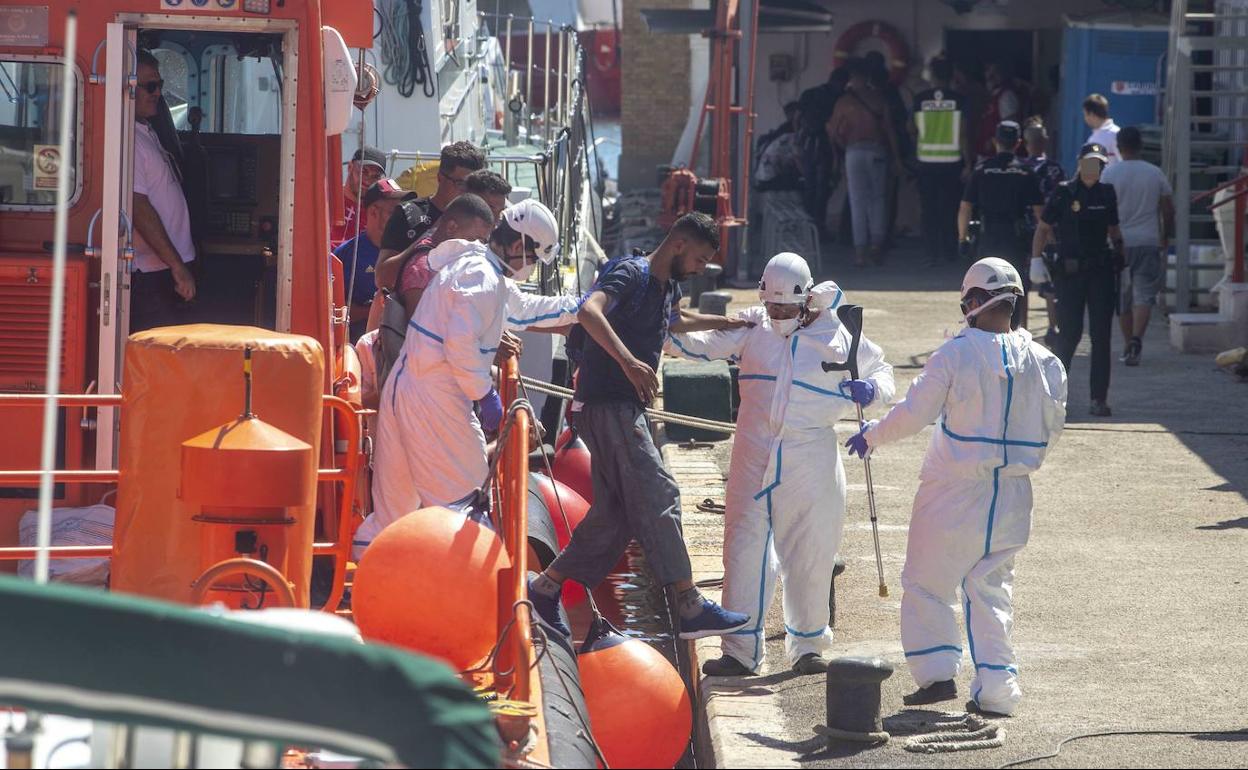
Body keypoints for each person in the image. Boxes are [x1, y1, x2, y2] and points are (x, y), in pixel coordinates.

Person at [845, 257, 1067, 717]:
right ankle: (998, 691)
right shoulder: (1048, 363)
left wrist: (871, 435)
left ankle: (936, 675)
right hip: (1013, 493)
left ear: (975, 301)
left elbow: (913, 413)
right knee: (992, 590)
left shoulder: (954, 354)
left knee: (927, 583)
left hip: (952, 488)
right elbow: (1053, 428)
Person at [527, 213, 754, 641]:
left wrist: (726, 323)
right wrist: (629, 362)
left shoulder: (667, 286)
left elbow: (675, 321)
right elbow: (589, 312)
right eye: (701, 258)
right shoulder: (630, 274)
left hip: (624, 407)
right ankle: (687, 603)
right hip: (607, 404)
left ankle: (546, 587)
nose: (702, 268)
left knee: (616, 515)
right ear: (680, 244)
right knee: (661, 490)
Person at [667, 253, 894, 676]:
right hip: (754, 451)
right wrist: (652, 322)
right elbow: (695, 345)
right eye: (772, 307)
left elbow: (883, 372)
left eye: (787, 309)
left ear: (806, 300)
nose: (778, 315)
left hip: (813, 455)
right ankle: (740, 651)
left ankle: (808, 645)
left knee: (811, 549)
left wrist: (872, 390)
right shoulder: (752, 325)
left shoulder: (839, 332)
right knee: (743, 547)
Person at [357, 197, 584, 554]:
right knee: (465, 503)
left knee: (392, 511)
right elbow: (460, 345)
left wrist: (579, 306)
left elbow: (522, 310)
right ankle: (464, 595)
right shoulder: (482, 277)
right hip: (437, 401)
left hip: (408, 389)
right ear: (514, 246)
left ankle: (366, 586)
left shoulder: (475, 264)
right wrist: (486, 396)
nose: (529, 267)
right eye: (530, 258)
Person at [1031, 143, 1125, 417]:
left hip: (1100, 273)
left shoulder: (1107, 193)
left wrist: (1122, 254)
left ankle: (1099, 399)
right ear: (1080, 163)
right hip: (1070, 274)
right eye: (1089, 162)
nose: (1094, 168)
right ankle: (1054, 397)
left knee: (1101, 337)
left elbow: (1114, 229)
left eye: (1099, 163)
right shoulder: (1063, 192)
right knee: (1068, 336)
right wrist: (1036, 260)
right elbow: (1044, 227)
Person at [130, 49, 196, 333]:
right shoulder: (129, 140)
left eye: (160, 85)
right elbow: (138, 207)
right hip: (152, 275)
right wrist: (177, 266)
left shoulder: (147, 131)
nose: (158, 93)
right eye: (150, 86)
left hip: (166, 269)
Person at [1101, 126, 1174, 366]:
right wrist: (1165, 235)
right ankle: (1136, 341)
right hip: (1148, 240)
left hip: (1118, 243)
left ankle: (1127, 344)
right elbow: (1167, 208)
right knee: (1144, 294)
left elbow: (1101, 211)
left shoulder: (1109, 174)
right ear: (1141, 146)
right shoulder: (1155, 173)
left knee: (1123, 298)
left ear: (1119, 148)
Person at [959, 121, 1044, 325]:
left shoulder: (982, 171)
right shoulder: (1026, 172)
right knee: (1016, 286)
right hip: (1015, 238)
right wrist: (1044, 245)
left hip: (987, 237)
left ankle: (980, 327)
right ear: (1018, 143)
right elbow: (1040, 213)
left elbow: (965, 208)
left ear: (995, 141)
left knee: (982, 284)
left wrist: (963, 238)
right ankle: (1016, 330)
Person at [828, 58, 902, 267]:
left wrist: (839, 153)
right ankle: (876, 245)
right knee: (878, 199)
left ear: (852, 79)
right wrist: (896, 158)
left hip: (853, 152)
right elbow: (889, 130)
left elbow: (833, 132)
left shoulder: (843, 102)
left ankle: (860, 251)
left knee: (857, 201)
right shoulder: (879, 98)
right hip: (877, 150)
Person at [376, 141, 486, 276]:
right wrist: (427, 239)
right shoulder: (409, 213)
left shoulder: (482, 222)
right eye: (461, 184)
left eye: (475, 186)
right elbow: (382, 276)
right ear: (440, 178)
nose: (469, 192)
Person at [912, 55, 973, 266]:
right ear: (950, 75)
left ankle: (930, 254)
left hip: (925, 163)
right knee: (950, 210)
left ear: (932, 76)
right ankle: (950, 253)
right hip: (952, 163)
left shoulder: (919, 99)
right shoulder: (959, 100)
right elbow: (964, 133)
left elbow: (911, 129)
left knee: (928, 211)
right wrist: (968, 163)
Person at [334, 178, 406, 342]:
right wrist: (375, 309)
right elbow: (334, 310)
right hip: (358, 346)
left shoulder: (410, 251)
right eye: (394, 212)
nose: (401, 217)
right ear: (373, 212)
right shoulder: (346, 254)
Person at [1020, 119, 1066, 349]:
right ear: (1045, 140)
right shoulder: (1055, 169)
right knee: (1051, 284)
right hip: (1050, 231)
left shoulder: (1019, 167)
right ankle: (1053, 327)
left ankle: (1022, 330)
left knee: (1021, 284)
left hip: (1023, 232)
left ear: (1025, 143)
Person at [332, 146, 386, 247]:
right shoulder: (327, 201)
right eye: (363, 171)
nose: (367, 180)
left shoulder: (377, 214)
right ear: (350, 167)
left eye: (375, 176)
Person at [975, 62, 1025, 161]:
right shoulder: (990, 97)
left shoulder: (1006, 96)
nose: (990, 77)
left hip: (1001, 158)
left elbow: (1011, 126)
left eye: (994, 74)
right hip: (986, 156)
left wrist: (995, 141)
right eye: (988, 72)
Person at [1082, 94, 1120, 165]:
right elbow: (1089, 173)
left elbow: (1123, 164)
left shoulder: (1115, 134)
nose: (1085, 119)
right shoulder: (1092, 139)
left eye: (1085, 114)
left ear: (1091, 114)